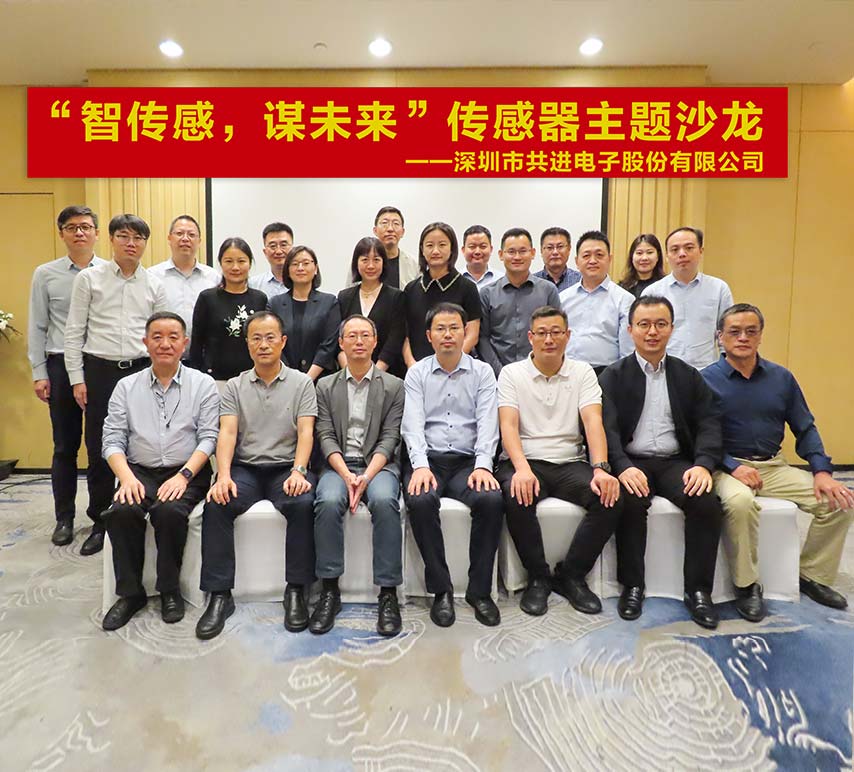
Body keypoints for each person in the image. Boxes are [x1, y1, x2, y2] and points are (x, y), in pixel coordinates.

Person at [702, 303, 854, 620]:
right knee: (740, 503)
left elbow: (805, 427)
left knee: (838, 502)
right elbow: (698, 436)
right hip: (725, 467)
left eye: (751, 331)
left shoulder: (781, 378)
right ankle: (746, 586)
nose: (743, 338)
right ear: (720, 337)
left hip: (773, 467)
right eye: (734, 331)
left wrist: (822, 471)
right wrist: (733, 466)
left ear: (760, 335)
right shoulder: (705, 380)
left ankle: (812, 575)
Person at [599, 296, 724, 628]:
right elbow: (605, 429)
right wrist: (622, 466)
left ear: (671, 328)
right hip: (632, 460)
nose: (652, 332)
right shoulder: (613, 376)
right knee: (628, 500)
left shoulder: (688, 376)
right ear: (630, 330)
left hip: (675, 461)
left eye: (660, 324)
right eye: (644, 324)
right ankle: (632, 586)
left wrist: (703, 464)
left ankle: (698, 591)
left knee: (705, 501)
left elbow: (709, 422)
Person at [197, 312, 318, 639]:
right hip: (246, 468)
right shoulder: (235, 386)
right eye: (256, 338)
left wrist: (299, 471)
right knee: (217, 504)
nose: (263, 345)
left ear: (283, 341)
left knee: (303, 502)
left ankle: (296, 590)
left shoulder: (302, 383)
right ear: (248, 344)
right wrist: (223, 475)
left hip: (286, 468)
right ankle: (220, 595)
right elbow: (227, 433)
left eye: (270, 338)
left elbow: (306, 432)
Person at [495, 306, 621, 617]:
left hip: (570, 461)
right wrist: (522, 469)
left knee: (610, 498)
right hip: (527, 460)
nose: (549, 339)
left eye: (556, 332)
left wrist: (601, 469)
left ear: (568, 336)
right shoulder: (512, 373)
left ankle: (571, 575)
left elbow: (593, 422)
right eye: (542, 333)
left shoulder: (583, 372)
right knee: (515, 493)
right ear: (530, 337)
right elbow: (508, 425)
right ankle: (538, 577)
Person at [100, 312, 219, 630]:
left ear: (185, 343)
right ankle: (130, 594)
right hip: (138, 470)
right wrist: (126, 478)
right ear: (145, 342)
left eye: (173, 337)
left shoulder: (203, 384)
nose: (165, 344)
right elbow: (112, 440)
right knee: (122, 511)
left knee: (169, 512)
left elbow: (209, 437)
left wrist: (184, 476)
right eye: (157, 337)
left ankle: (169, 590)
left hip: (187, 470)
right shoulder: (126, 387)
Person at [64, 213, 168, 556]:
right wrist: (77, 379)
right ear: (111, 239)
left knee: (141, 443)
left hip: (141, 370)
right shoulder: (89, 279)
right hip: (100, 371)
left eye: (138, 238)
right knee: (99, 447)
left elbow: (162, 333)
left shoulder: (154, 284)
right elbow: (74, 332)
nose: (131, 243)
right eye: (124, 236)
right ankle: (100, 521)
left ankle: (136, 510)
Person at [401, 302, 503, 628]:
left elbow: (488, 424)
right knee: (420, 500)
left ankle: (479, 591)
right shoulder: (417, 373)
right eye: (441, 329)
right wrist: (419, 466)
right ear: (429, 336)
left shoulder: (482, 372)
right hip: (428, 460)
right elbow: (412, 426)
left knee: (491, 499)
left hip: (467, 463)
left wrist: (483, 465)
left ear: (465, 333)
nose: (448, 335)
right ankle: (441, 590)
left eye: (454, 328)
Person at [313, 315, 405, 636]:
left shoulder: (393, 386)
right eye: (351, 336)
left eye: (365, 335)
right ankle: (329, 590)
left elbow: (390, 438)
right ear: (341, 343)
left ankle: (388, 593)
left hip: (378, 465)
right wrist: (346, 474)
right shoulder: (325, 386)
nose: (359, 341)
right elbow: (325, 435)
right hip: (338, 464)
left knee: (384, 501)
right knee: (327, 501)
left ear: (375, 341)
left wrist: (365, 477)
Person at [28, 205, 107, 547]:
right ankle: (64, 518)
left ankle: (101, 518)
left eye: (86, 227)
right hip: (60, 365)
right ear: (61, 233)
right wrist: (39, 372)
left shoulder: (110, 271)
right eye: (72, 227)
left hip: (99, 364)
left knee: (100, 446)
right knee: (65, 445)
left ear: (96, 233)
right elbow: (37, 325)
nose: (80, 233)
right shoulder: (45, 274)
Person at [642, 226, 733, 369]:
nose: (682, 254)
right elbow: (644, 336)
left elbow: (728, 334)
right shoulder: (652, 292)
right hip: (664, 370)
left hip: (707, 370)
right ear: (666, 256)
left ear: (701, 251)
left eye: (689, 248)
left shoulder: (719, 288)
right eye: (675, 250)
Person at [478, 227, 559, 376]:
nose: (517, 257)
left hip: (540, 373)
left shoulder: (548, 290)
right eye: (511, 251)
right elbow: (483, 338)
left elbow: (556, 333)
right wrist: (500, 372)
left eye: (523, 251)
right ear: (501, 255)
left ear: (532, 253)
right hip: (498, 375)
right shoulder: (487, 293)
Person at [189, 238, 268, 384]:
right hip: (214, 379)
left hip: (252, 379)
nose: (235, 267)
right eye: (229, 261)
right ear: (220, 263)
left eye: (241, 261)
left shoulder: (260, 299)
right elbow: (197, 344)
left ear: (250, 263)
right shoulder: (207, 298)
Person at [403, 222, 481, 367]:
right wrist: (411, 364)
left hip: (457, 368)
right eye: (429, 245)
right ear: (422, 250)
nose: (435, 251)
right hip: (417, 368)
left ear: (452, 249)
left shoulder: (467, 287)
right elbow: (404, 335)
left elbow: (472, 334)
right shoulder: (411, 289)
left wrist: (451, 362)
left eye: (442, 245)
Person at [559, 230, 634, 374]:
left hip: (608, 374)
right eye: (586, 256)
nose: (592, 261)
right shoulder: (563, 298)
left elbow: (628, 351)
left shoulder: (624, 299)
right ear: (577, 261)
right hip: (568, 373)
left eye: (599, 255)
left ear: (609, 259)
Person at [268, 246, 340, 380]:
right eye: (295, 264)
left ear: (315, 269)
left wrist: (307, 379)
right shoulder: (274, 304)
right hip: (282, 379)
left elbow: (328, 345)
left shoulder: (330, 302)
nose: (300, 268)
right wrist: (289, 378)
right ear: (287, 270)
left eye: (306, 263)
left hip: (321, 380)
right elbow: (272, 342)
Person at [337, 236, 406, 377]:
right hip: (349, 375)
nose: (370, 266)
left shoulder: (396, 297)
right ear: (356, 263)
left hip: (387, 374)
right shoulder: (344, 297)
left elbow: (395, 338)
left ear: (384, 263)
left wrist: (375, 373)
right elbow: (338, 337)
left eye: (376, 260)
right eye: (365, 260)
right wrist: (351, 372)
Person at [148, 215, 219, 338]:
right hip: (165, 348)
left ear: (199, 241)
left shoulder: (214, 277)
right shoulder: (152, 276)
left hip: (203, 348)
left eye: (191, 235)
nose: (185, 239)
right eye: (179, 233)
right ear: (169, 238)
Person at [370, 206, 418, 290]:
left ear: (402, 232)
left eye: (396, 224)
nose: (390, 229)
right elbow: (351, 293)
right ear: (375, 230)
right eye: (384, 223)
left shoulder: (413, 264)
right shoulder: (362, 262)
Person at [249, 222, 293, 298]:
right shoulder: (253, 285)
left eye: (283, 245)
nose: (278, 251)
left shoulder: (303, 283)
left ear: (292, 249)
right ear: (265, 252)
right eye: (273, 246)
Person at [533, 227, 581, 292]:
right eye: (550, 247)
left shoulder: (580, 281)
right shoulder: (531, 283)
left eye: (560, 246)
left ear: (569, 249)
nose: (555, 252)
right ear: (541, 251)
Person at [618, 233, 665, 299]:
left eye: (649, 252)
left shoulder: (665, 286)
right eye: (639, 253)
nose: (644, 258)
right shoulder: (621, 289)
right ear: (632, 257)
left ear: (658, 256)